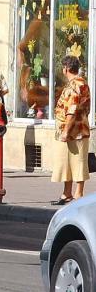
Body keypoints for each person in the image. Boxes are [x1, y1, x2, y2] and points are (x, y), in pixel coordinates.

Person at [52, 55, 91, 205]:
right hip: (77, 130)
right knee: (68, 163)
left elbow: (72, 110)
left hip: (75, 131)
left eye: (63, 67)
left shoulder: (75, 85)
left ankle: (78, 194)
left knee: (78, 163)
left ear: (66, 68)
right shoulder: (82, 83)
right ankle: (66, 193)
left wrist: (65, 132)